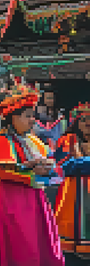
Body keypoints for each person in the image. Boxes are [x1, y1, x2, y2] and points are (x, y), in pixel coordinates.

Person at [0, 84, 63, 265]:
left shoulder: (32, 139)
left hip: (35, 197)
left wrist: (45, 167)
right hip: (13, 199)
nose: (32, 120)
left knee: (37, 239)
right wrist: (30, 171)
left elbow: (43, 159)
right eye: (27, 116)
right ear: (13, 118)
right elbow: (2, 171)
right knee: (21, 242)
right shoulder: (2, 140)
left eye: (32, 116)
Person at [53, 102, 90, 259]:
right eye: (84, 119)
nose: (88, 123)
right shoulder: (68, 140)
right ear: (75, 123)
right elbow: (64, 167)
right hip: (74, 192)